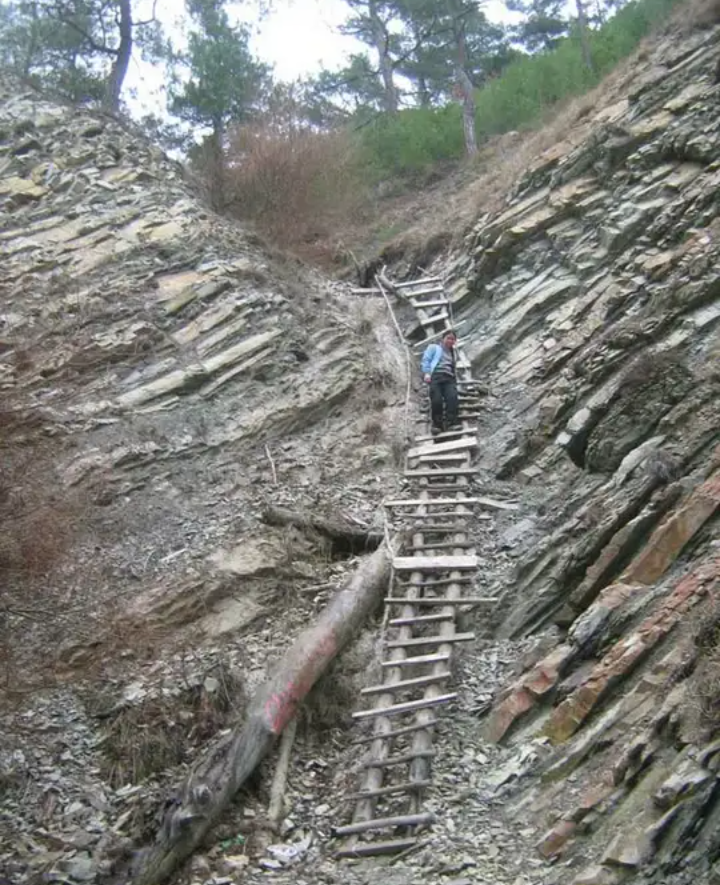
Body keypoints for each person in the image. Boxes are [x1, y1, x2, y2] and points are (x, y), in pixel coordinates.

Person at [421, 330, 460, 435]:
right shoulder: (433, 348)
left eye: (453, 339)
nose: (450, 341)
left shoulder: (453, 352)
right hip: (436, 376)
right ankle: (437, 425)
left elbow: (453, 366)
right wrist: (427, 373)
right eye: (448, 338)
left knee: (452, 398)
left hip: (449, 378)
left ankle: (451, 423)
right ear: (443, 339)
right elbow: (426, 360)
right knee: (436, 400)